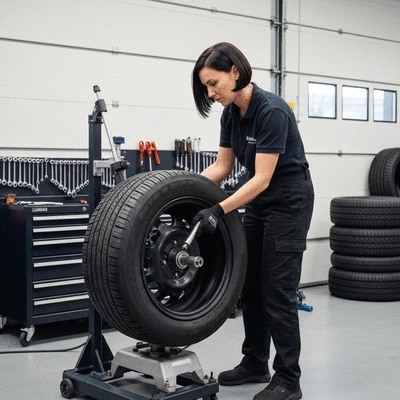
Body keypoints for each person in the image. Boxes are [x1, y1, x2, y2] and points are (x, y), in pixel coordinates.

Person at [191, 42, 314, 400]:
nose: (212, 94)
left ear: (235, 72)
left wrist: (218, 209)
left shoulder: (272, 111)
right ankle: (255, 363)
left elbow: (261, 177)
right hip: (259, 201)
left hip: (288, 200)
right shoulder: (230, 114)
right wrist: (183, 188)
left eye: (214, 84)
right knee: (250, 286)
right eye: (206, 88)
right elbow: (223, 167)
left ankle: (289, 380)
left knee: (278, 291)